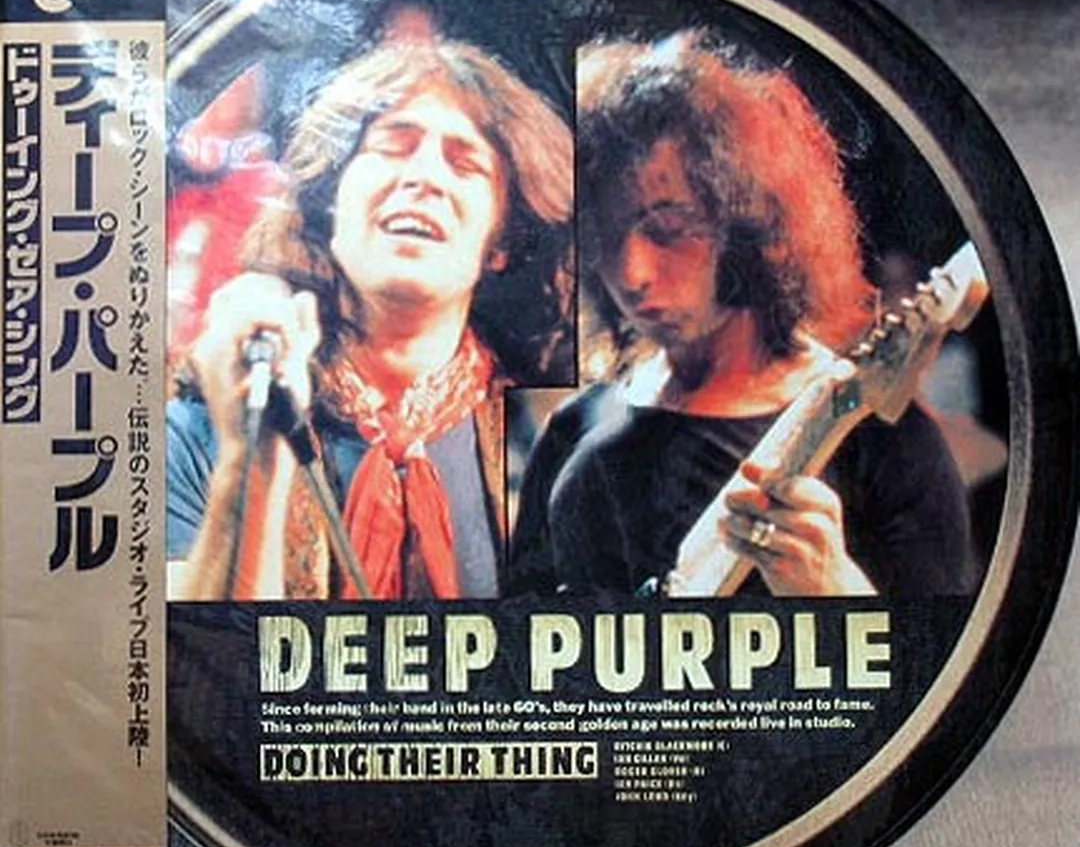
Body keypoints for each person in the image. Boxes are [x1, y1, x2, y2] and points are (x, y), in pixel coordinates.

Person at [510, 32, 974, 598]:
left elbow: (953, 647)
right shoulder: (576, 426)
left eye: (668, 228)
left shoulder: (884, 442)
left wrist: (835, 588)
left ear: (748, 224)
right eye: (605, 237)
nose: (632, 273)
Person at [167, 34, 573, 600]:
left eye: (465, 163)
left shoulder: (556, 442)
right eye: (392, 146)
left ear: (502, 242)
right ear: (331, 198)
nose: (424, 177)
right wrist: (253, 460)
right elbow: (195, 653)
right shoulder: (202, 429)